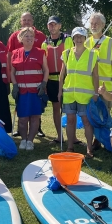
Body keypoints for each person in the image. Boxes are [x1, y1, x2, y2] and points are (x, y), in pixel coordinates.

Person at [57, 27, 99, 158]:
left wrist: (96, 93)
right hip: (69, 94)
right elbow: (62, 74)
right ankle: (70, 147)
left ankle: (89, 148)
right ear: (73, 38)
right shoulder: (67, 53)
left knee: (87, 122)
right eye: (76, 37)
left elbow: (95, 76)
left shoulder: (93, 54)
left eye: (81, 37)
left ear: (85, 38)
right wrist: (60, 91)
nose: (78, 39)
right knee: (70, 120)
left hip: (85, 95)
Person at [7, 12, 48, 137]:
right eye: (24, 20)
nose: (26, 22)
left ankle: (33, 136)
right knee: (23, 115)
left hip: (36, 88)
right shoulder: (15, 46)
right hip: (22, 89)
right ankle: (23, 135)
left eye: (29, 20)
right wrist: (14, 84)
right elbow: (12, 66)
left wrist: (44, 83)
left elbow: (45, 69)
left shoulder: (40, 46)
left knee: (35, 115)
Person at [85, 12, 112, 150]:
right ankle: (96, 139)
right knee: (92, 113)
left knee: (104, 113)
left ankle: (106, 139)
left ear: (103, 25)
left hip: (106, 85)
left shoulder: (111, 42)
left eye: (97, 23)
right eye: (92, 23)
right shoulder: (86, 42)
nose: (94, 26)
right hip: (90, 85)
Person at [44, 16, 74, 144]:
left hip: (67, 79)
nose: (53, 27)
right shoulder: (45, 43)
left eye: (55, 24)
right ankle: (59, 136)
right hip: (52, 80)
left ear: (60, 26)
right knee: (56, 108)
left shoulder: (68, 40)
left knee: (69, 109)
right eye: (50, 25)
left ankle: (73, 138)